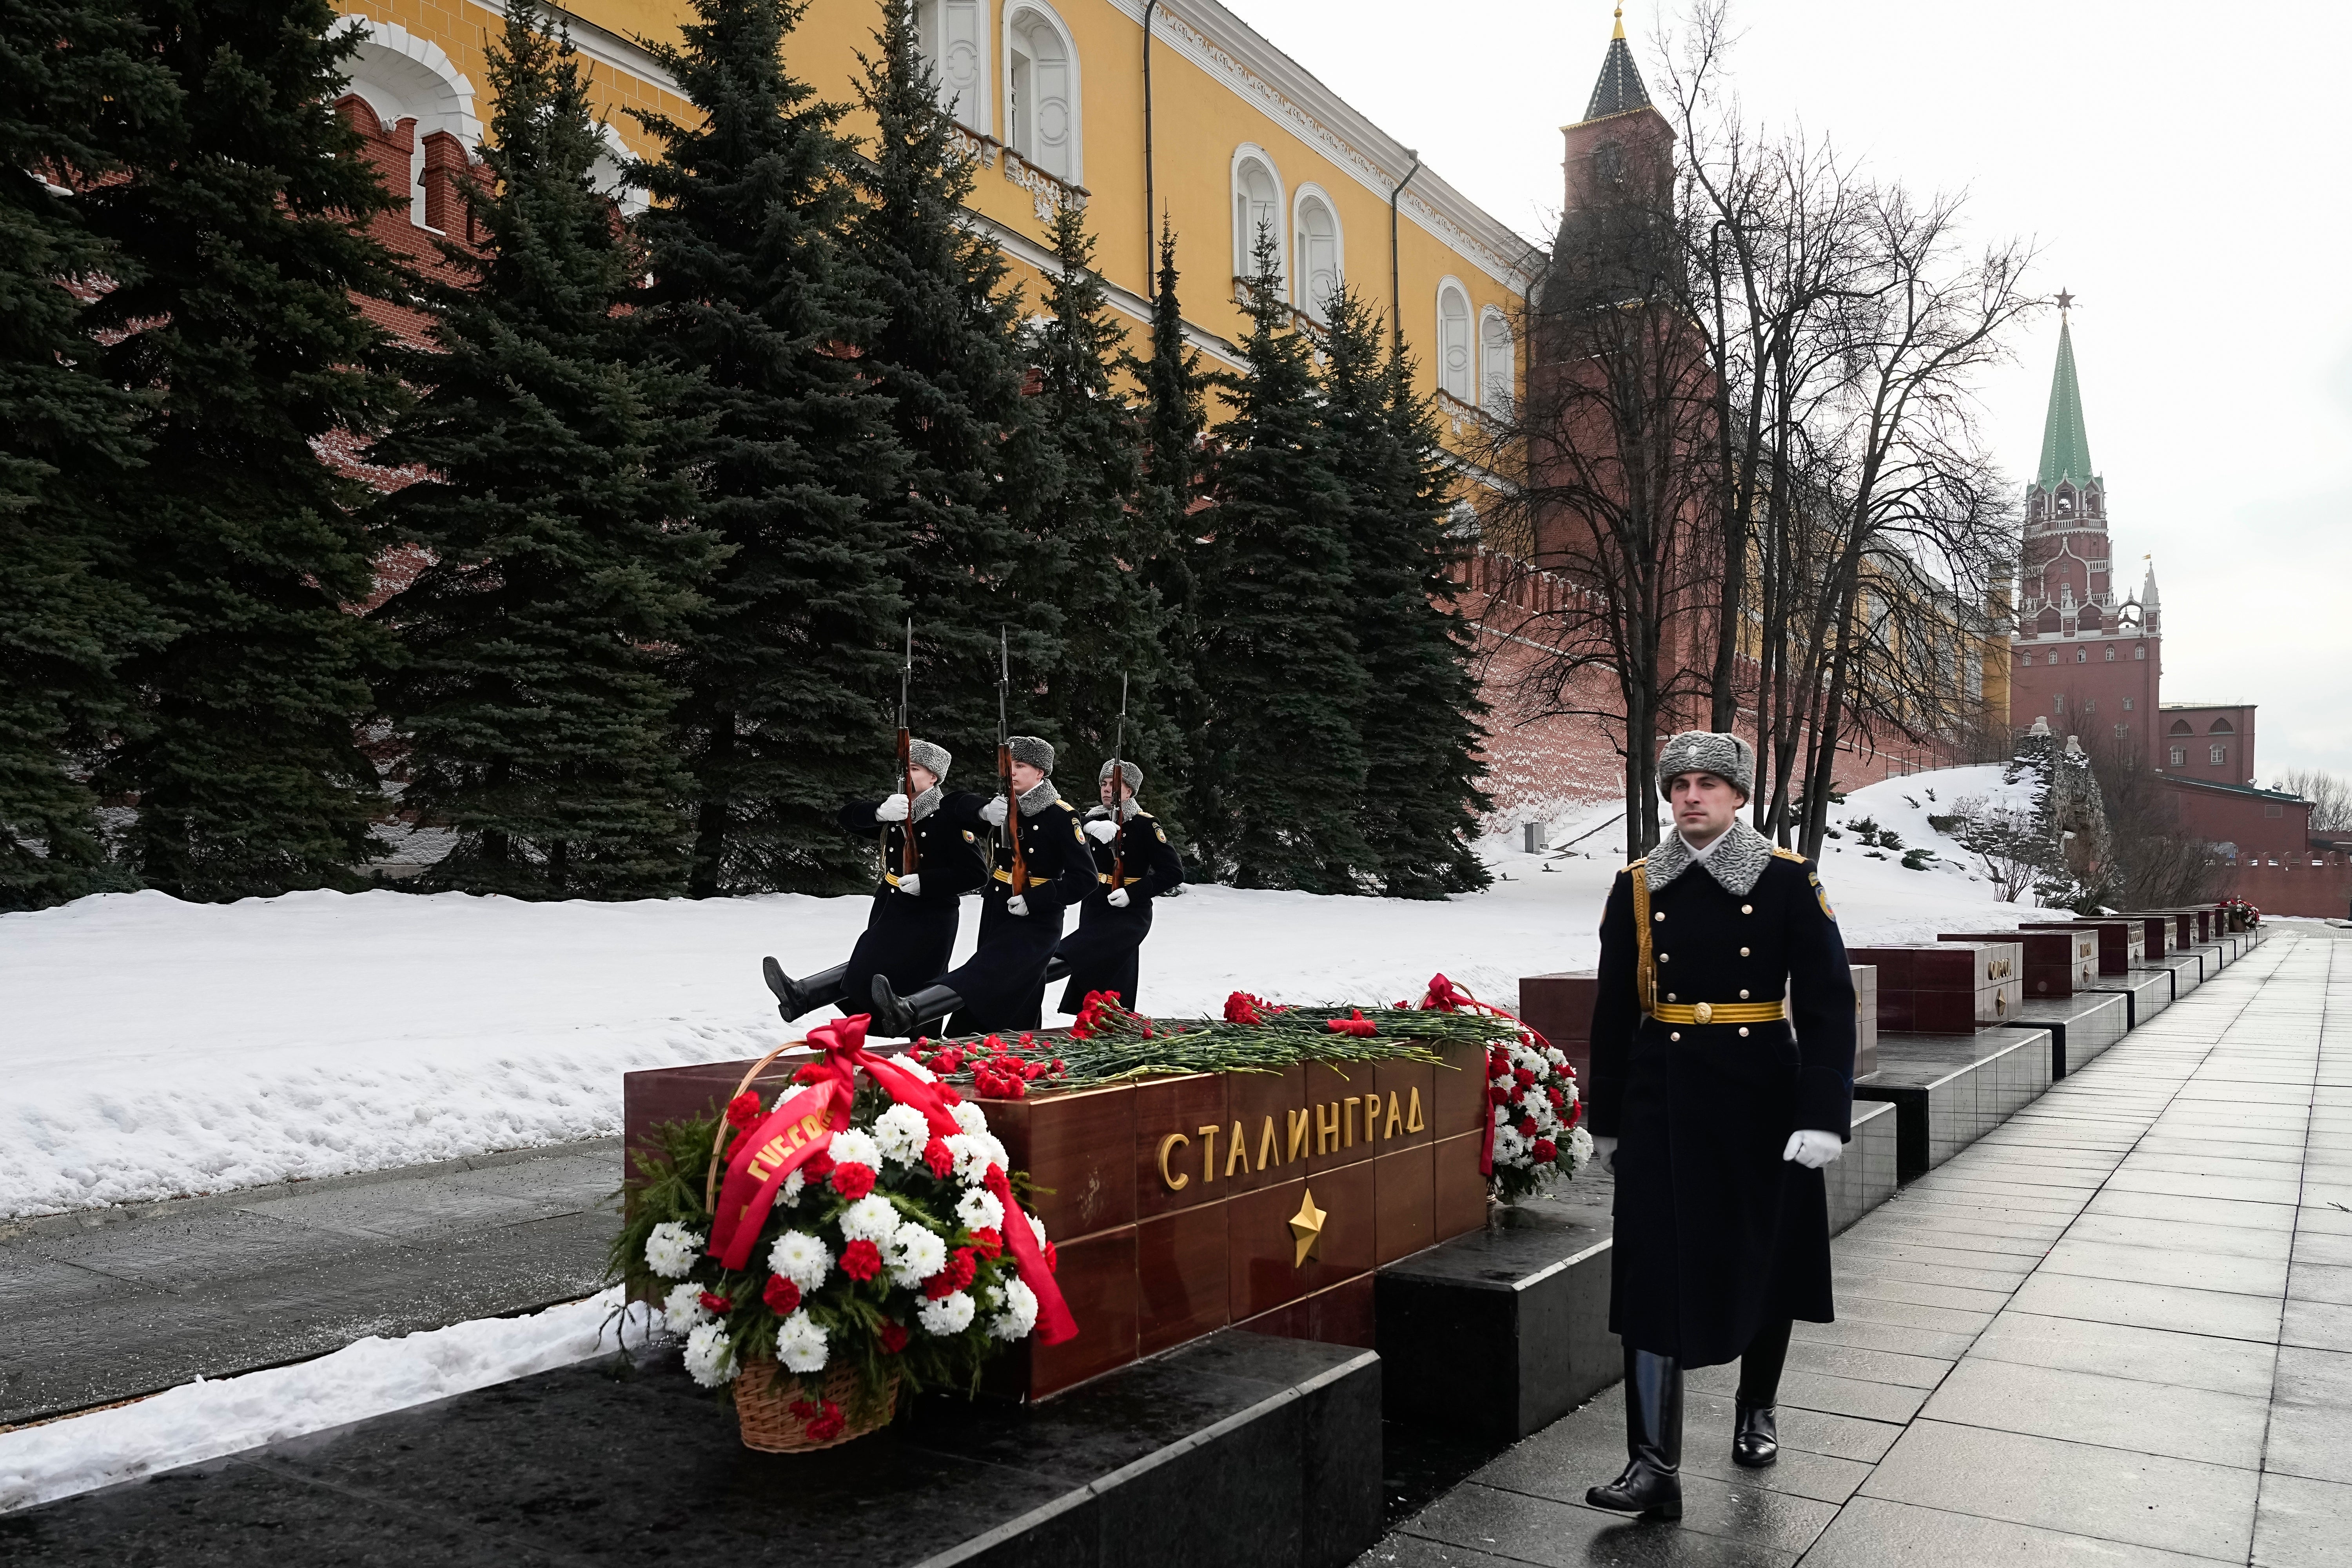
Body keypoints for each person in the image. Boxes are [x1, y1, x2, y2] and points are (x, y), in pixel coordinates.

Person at [1581, 731, 1855, 1521]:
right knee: (1651, 1272)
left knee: (1763, 1257)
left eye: (1708, 783)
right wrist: (1608, 1120)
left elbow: (1832, 1002)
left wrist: (1822, 1111)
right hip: (1663, 1096)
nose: (1691, 796)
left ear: (1739, 796)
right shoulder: (1637, 886)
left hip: (1760, 1094)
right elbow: (1612, 1009)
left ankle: (1756, 1405)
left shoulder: (1786, 880)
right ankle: (1652, 1465)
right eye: (1679, 784)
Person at [867, 735, 1094, 1038]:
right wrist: (986, 811)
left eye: (1021, 766)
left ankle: (911, 1009)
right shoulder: (1002, 807)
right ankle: (1014, 1041)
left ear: (1041, 773)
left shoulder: (1061, 817)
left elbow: (1085, 879)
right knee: (1017, 984)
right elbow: (953, 803)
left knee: (987, 971)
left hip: (1037, 919)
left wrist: (1036, 899)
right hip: (998, 907)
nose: (1011, 772)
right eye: (1008, 765)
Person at [760, 739, 986, 1022]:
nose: (907, 775)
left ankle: (806, 996)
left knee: (908, 975)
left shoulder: (949, 819)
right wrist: (880, 812)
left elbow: (976, 873)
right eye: (904, 768)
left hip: (932, 914)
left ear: (933, 777)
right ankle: (802, 996)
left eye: (915, 769)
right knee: (871, 964)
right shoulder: (896, 810)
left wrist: (926, 882)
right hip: (891, 904)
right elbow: (847, 817)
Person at [1049, 759, 1185, 1013]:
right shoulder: (1093, 818)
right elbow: (1065, 819)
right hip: (1096, 903)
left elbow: (1173, 872)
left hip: (1130, 909)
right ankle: (1085, 1023)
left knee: (1117, 970)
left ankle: (1111, 1020)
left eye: (1114, 783)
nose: (1107, 788)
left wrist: (1133, 893)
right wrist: (1089, 824)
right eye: (1104, 783)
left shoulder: (1146, 825)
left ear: (1130, 790)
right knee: (1091, 969)